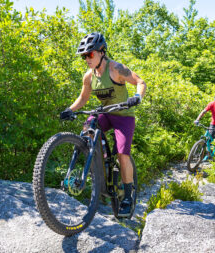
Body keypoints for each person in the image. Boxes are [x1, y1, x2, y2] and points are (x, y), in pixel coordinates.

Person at [60, 32, 147, 217]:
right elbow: (83, 98)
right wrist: (70, 109)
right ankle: (99, 161)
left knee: (123, 155)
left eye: (90, 54)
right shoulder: (88, 76)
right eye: (84, 56)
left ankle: (127, 197)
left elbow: (140, 82)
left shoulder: (116, 68)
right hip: (106, 113)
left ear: (101, 51)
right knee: (88, 127)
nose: (86, 59)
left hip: (124, 116)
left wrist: (137, 97)